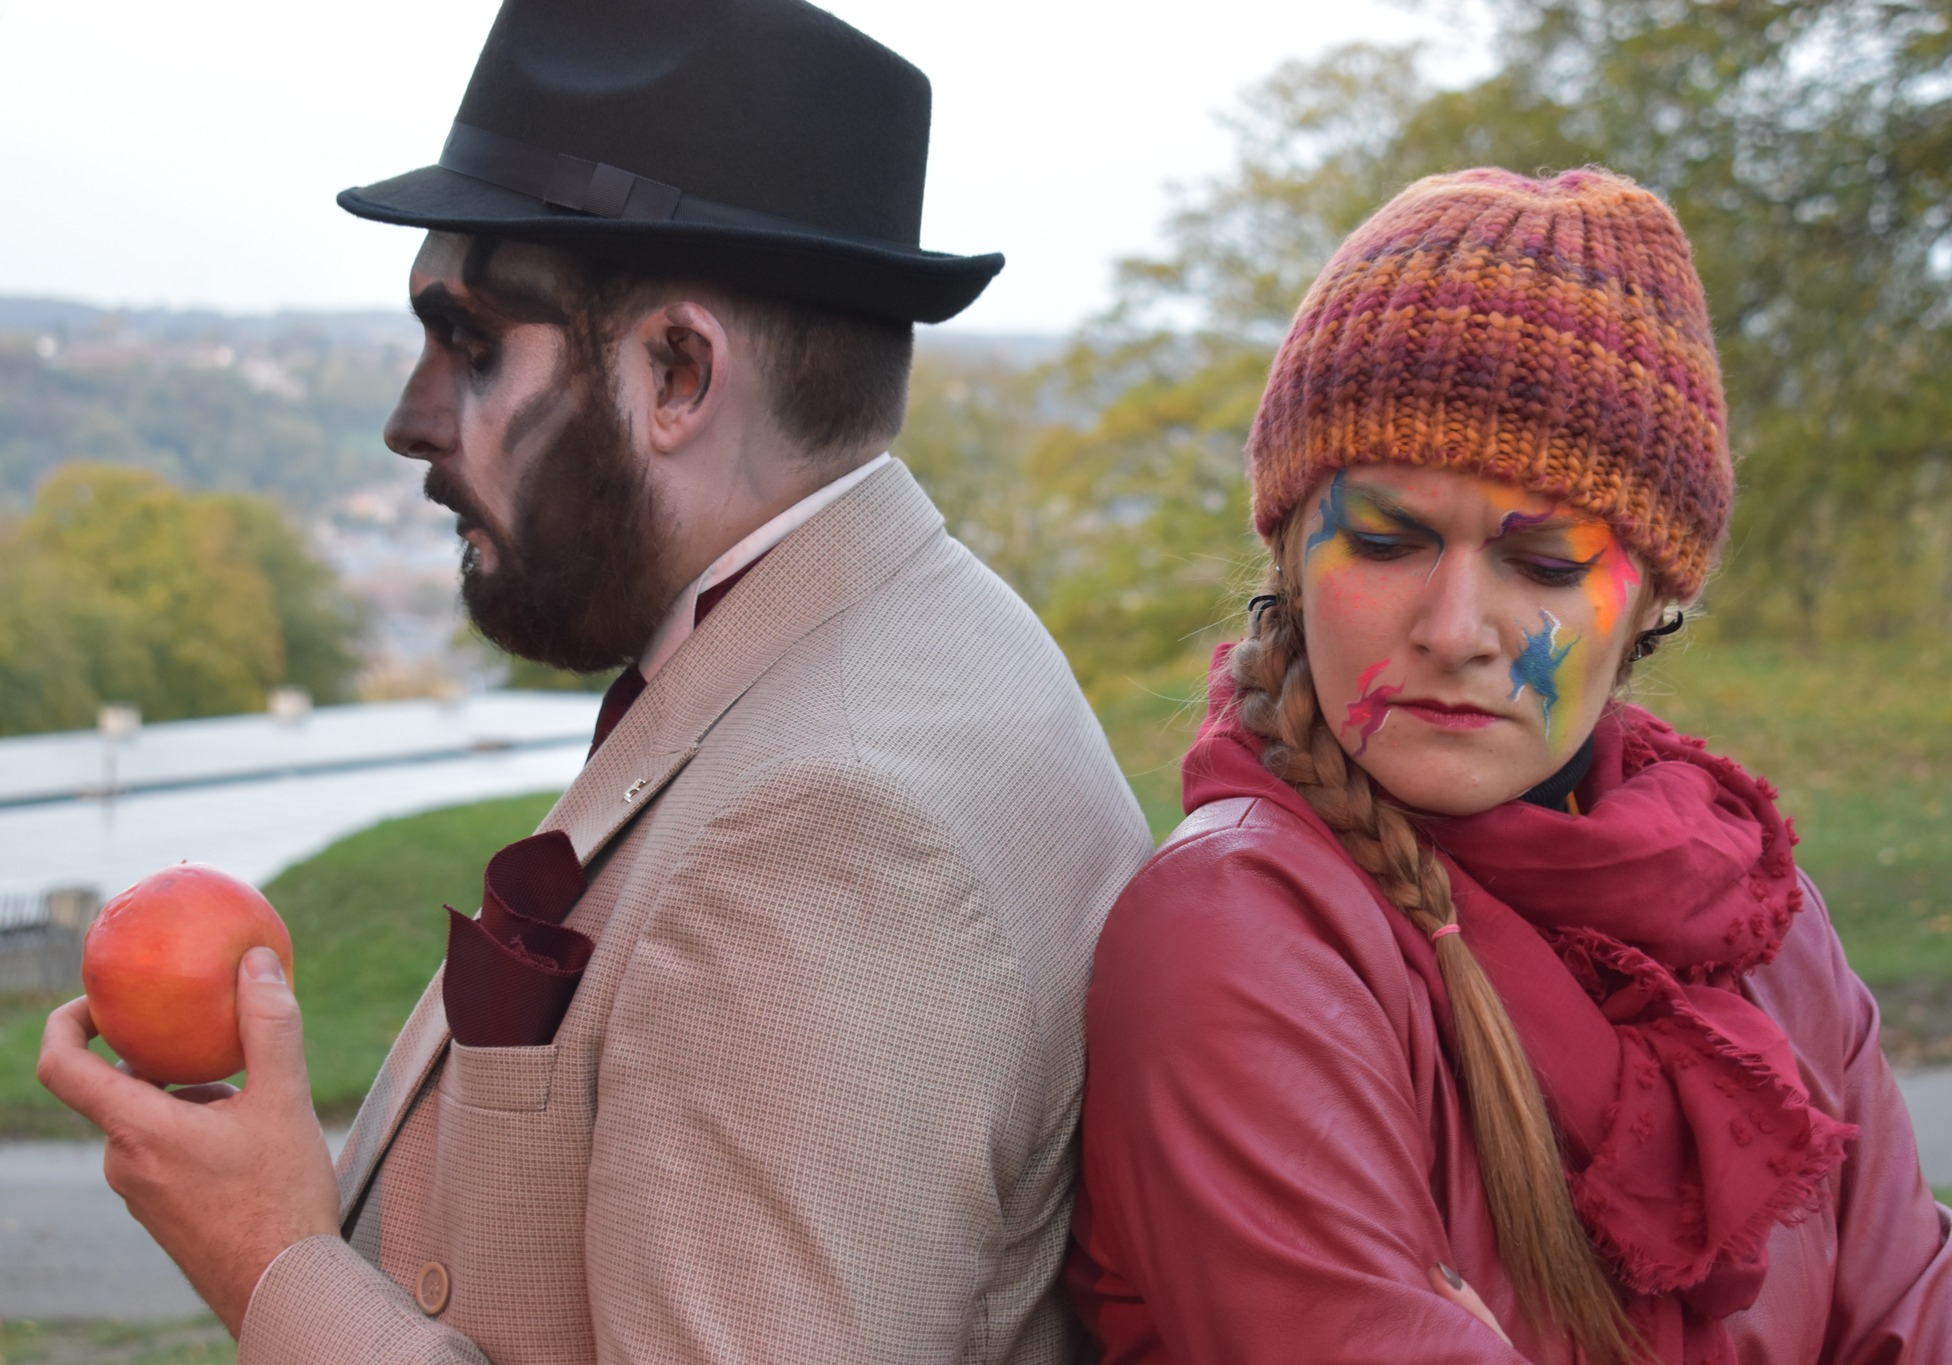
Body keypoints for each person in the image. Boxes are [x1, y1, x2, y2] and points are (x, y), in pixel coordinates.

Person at [37, 1, 1154, 1360]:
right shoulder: (899, 635)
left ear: (678, 372)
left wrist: (266, 1259)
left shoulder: (829, 829)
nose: (408, 421)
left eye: (469, 344)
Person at [1064, 167, 1952, 1364]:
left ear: (1651, 604)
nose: (1455, 629)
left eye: (1547, 564)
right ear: (1291, 556)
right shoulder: (1233, 934)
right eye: (1386, 542)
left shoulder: (1756, 919)